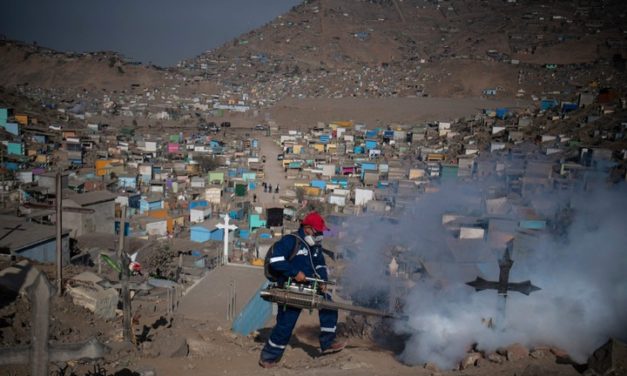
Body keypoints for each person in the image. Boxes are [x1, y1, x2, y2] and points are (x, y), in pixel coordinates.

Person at [259, 212, 346, 368]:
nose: (320, 235)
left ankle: (328, 342)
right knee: (286, 324)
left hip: (310, 287)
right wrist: (294, 273)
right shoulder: (290, 241)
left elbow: (319, 265)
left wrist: (322, 279)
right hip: (290, 288)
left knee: (329, 305)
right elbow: (275, 261)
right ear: (307, 229)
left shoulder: (315, 247)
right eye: (317, 232)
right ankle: (269, 356)